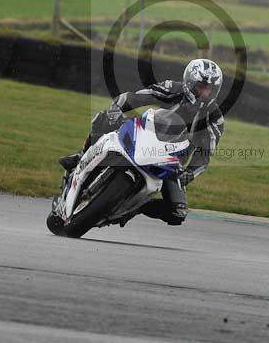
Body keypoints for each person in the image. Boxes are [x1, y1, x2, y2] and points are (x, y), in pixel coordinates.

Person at [58, 58, 225, 226]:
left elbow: (204, 155)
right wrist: (116, 110)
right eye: (201, 86)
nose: (205, 93)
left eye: (210, 89)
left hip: (169, 161)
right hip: (143, 134)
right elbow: (134, 98)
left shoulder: (215, 118)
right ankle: (81, 155)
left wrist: (188, 174)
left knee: (177, 212)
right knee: (103, 118)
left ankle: (133, 208)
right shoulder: (171, 88)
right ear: (189, 82)